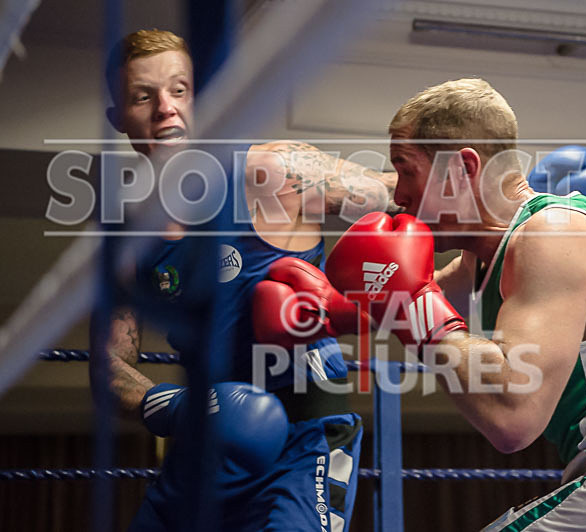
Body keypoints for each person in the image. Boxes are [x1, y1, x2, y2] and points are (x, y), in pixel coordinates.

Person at [271, 78, 586, 530]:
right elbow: (402, 302)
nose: (399, 195)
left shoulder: (552, 234)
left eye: (407, 170)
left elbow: (512, 417)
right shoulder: (489, 258)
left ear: (463, 167)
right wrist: (324, 312)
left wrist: (409, 306)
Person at [89, 29, 399, 531]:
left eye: (180, 90)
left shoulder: (275, 173)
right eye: (142, 96)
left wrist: (535, 197)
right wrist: (176, 408)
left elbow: (406, 195)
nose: (165, 109)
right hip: (204, 443)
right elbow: (109, 366)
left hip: (305, 443)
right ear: (119, 119)